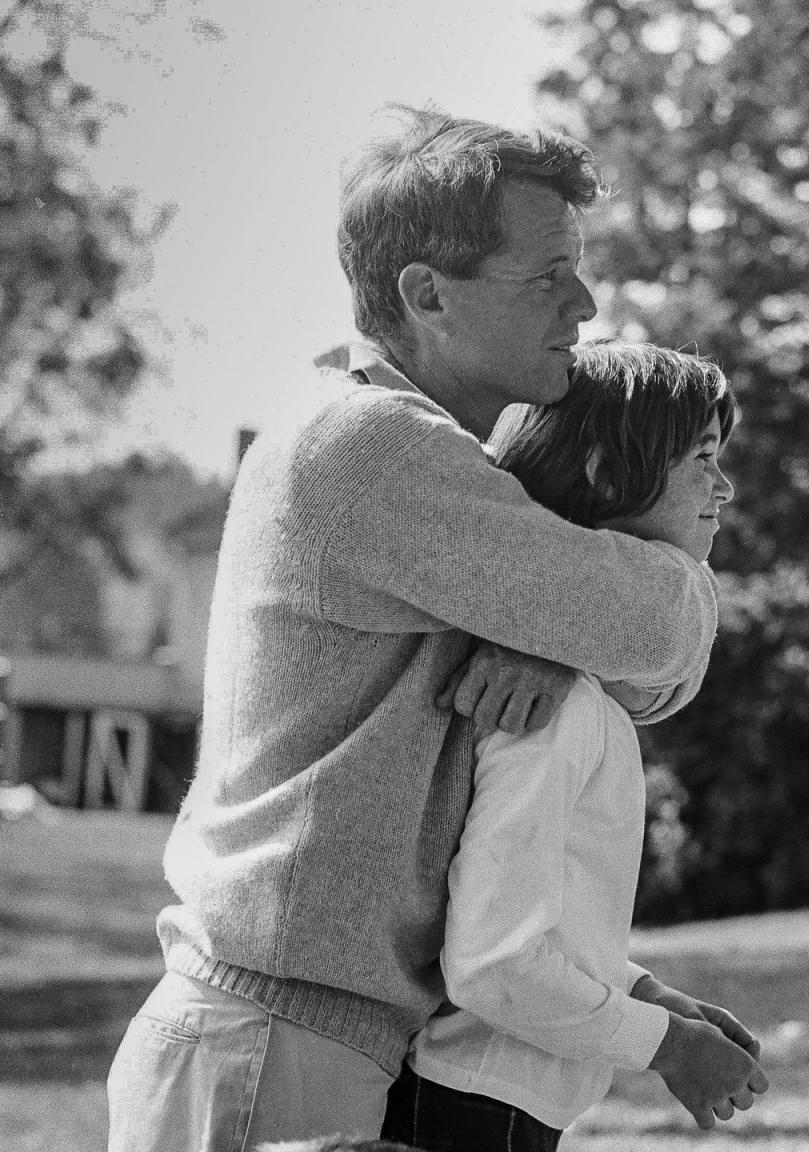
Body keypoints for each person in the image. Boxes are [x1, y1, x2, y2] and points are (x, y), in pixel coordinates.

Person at [107, 108, 725, 1151]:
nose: (584, 302)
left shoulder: (445, 476)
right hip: (272, 1038)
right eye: (546, 275)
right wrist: (573, 626)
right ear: (426, 294)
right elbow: (658, 620)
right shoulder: (372, 450)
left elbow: (651, 662)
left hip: (305, 1034)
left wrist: (553, 635)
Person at [381, 339, 768, 1152]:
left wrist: (648, 994)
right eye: (702, 457)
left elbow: (542, 931)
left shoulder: (580, 694)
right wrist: (665, 1046)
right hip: (468, 1108)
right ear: (602, 471)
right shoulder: (547, 711)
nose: (724, 485)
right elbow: (492, 965)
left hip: (505, 1102)